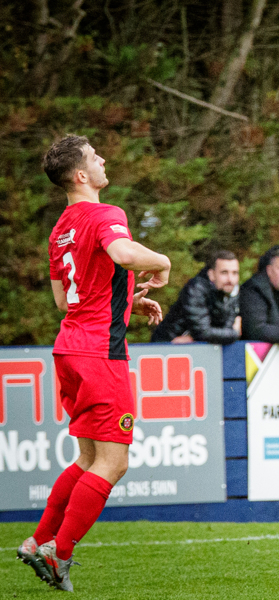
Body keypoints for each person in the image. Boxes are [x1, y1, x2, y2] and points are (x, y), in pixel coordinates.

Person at [17, 135, 170, 592]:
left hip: (71, 347)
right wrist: (162, 261)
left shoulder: (61, 226)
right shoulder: (107, 214)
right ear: (81, 175)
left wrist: (127, 305)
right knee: (114, 462)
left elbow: (66, 300)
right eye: (94, 157)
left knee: (88, 457)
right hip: (100, 353)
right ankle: (58, 553)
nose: (104, 160)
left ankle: (38, 540)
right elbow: (123, 255)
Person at [151, 250, 241, 344]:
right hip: (168, 347)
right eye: (224, 272)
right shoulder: (196, 289)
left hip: (202, 348)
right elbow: (203, 333)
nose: (230, 279)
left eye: (235, 273)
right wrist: (234, 333)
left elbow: (224, 329)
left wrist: (228, 334)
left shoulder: (232, 291)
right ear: (211, 274)